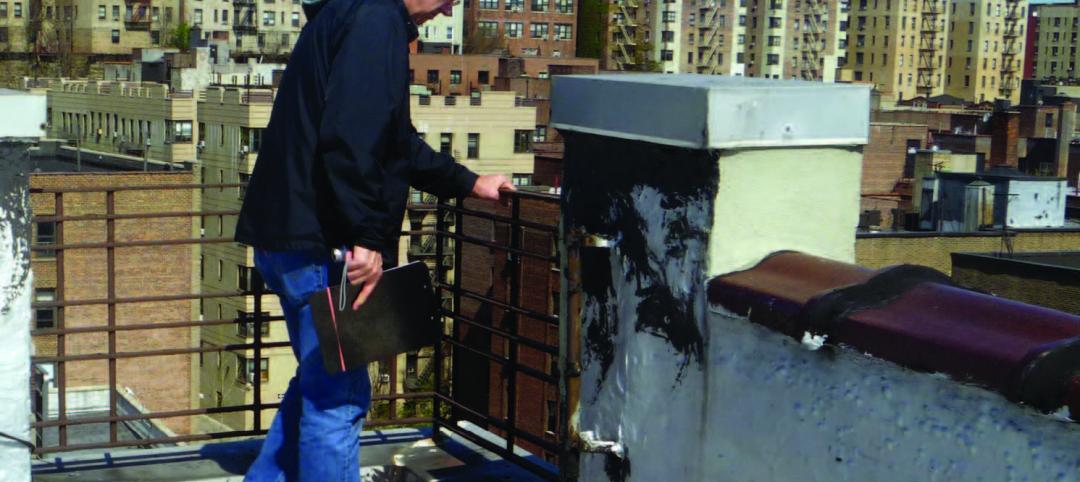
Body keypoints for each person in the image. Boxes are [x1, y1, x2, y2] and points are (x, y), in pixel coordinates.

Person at [233, 0, 513, 478]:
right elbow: (350, 137)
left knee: (319, 383)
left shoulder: (350, 13)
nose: (447, 8)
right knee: (338, 400)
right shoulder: (374, 18)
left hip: (290, 237)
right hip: (326, 245)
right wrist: (365, 236)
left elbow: (393, 141)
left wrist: (469, 182)